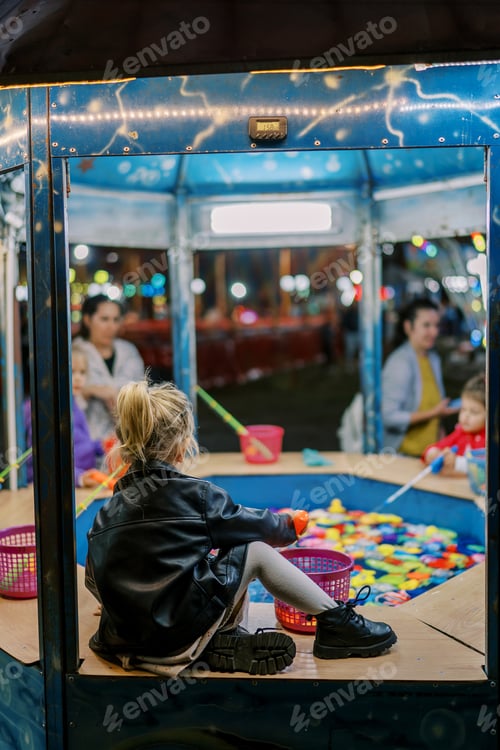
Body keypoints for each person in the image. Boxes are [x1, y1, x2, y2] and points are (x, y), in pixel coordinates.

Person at [85, 379, 397, 677]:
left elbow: (94, 582)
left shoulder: (105, 515)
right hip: (179, 633)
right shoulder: (198, 496)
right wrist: (288, 526)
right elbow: (256, 527)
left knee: (200, 564)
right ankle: (336, 622)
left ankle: (214, 646)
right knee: (253, 549)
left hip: (124, 642)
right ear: (181, 447)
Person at [381, 297, 459, 457]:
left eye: (436, 325)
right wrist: (434, 413)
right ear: (408, 327)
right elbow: (389, 417)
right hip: (403, 457)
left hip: (429, 454)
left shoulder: (432, 358)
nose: (434, 332)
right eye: (426, 325)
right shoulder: (400, 363)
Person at [24, 345, 107, 487]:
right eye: (72, 371)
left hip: (76, 483)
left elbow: (80, 443)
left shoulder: (73, 404)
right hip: (54, 488)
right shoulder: (42, 410)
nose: (78, 378)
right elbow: (43, 461)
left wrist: (102, 445)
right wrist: (78, 479)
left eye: (82, 372)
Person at [73, 294, 145, 440]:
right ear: (87, 320)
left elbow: (143, 395)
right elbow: (63, 404)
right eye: (104, 319)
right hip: (85, 445)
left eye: (116, 320)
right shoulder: (74, 354)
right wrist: (88, 391)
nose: (111, 326)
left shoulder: (129, 352)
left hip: (128, 441)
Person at [422, 373, 486, 475]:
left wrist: (457, 463)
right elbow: (435, 447)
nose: (466, 416)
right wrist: (432, 453)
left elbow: (485, 468)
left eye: (474, 412)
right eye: (463, 409)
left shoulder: (490, 441)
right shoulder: (460, 433)